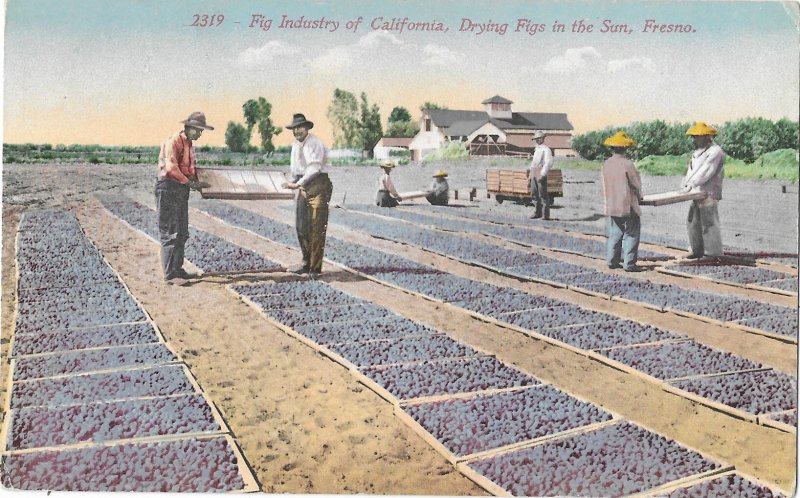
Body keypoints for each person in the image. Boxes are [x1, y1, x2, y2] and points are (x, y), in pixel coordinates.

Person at [155, 111, 214, 286]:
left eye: (201, 131)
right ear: (188, 127)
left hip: (181, 189)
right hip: (168, 188)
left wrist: (200, 182)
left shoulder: (189, 145)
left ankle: (178, 269)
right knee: (170, 232)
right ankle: (170, 275)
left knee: (182, 232)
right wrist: (190, 183)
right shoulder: (174, 141)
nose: (199, 133)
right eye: (197, 130)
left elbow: (190, 170)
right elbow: (172, 168)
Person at [281, 113, 333, 276]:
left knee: (317, 228)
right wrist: (289, 180)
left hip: (318, 186)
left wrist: (296, 184)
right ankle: (305, 262)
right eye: (294, 129)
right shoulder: (295, 146)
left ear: (307, 128)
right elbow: (296, 170)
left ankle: (315, 268)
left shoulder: (314, 143)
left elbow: (314, 169)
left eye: (300, 128)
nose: (297, 131)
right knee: (301, 226)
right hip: (303, 186)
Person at [601, 131, 645, 272]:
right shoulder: (628, 164)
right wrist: (640, 196)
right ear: (625, 148)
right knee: (631, 233)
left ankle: (612, 261)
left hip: (612, 204)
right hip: (627, 205)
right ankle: (629, 264)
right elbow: (635, 184)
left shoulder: (606, 164)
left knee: (615, 232)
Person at [680, 121, 725, 259]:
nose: (694, 139)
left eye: (696, 136)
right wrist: (685, 183)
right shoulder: (697, 152)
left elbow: (707, 171)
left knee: (708, 223)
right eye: (693, 137)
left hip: (708, 192)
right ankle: (696, 250)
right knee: (692, 221)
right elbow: (691, 171)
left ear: (707, 137)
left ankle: (712, 253)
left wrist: (692, 183)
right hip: (695, 192)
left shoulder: (715, 151)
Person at [527, 130, 553, 219]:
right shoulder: (536, 149)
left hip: (541, 171)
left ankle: (545, 215)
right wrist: (531, 173)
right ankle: (537, 213)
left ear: (543, 139)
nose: (537, 140)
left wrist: (542, 174)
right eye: (536, 139)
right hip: (534, 171)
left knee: (543, 194)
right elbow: (534, 163)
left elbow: (548, 163)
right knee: (534, 193)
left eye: (539, 138)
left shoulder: (546, 149)